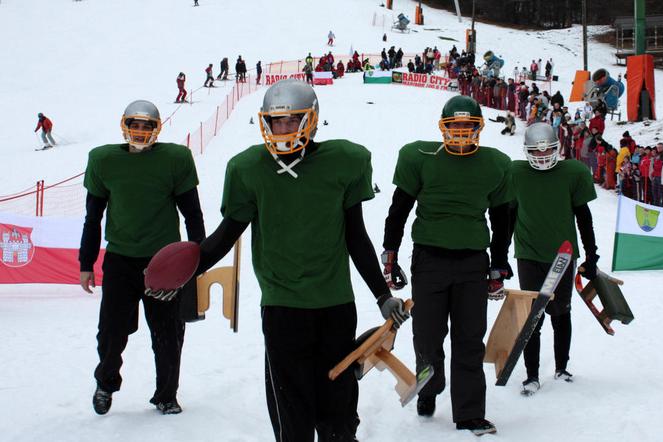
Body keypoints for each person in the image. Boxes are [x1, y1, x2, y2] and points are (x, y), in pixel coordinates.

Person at [149, 80, 408, 440]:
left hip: (334, 303)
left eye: (292, 121)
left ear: (312, 120)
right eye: (276, 122)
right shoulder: (248, 169)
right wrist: (183, 275)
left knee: (338, 403)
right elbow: (225, 236)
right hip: (282, 305)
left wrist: (383, 295)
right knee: (292, 408)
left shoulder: (344, 161)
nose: (282, 129)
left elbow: (356, 237)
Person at [381, 95, 512, 436]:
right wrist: (390, 251)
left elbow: (503, 219)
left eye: (467, 125)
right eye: (454, 125)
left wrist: (498, 263)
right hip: (429, 259)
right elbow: (399, 207)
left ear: (478, 127)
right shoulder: (420, 157)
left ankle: (469, 413)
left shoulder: (495, 163)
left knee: (469, 339)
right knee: (427, 334)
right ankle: (428, 387)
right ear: (443, 126)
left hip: (472, 261)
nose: (461, 132)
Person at [80, 100, 205, 416]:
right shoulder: (103, 160)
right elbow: (92, 217)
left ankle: (166, 394)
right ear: (124, 126)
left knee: (168, 332)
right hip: (121, 259)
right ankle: (105, 384)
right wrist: (86, 263)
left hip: (163, 262)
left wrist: (198, 260)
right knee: (111, 331)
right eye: (134, 125)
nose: (139, 131)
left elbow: (192, 213)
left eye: (146, 125)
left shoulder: (174, 159)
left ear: (156, 128)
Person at [509, 122, 599, 396]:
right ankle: (532, 375)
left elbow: (584, 217)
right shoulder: (515, 173)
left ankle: (562, 367)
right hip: (528, 253)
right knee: (531, 319)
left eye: (546, 150)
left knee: (561, 311)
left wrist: (592, 255)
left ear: (556, 147)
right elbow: (507, 216)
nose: (541, 156)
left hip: (562, 254)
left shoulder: (572, 173)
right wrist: (498, 256)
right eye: (535, 152)